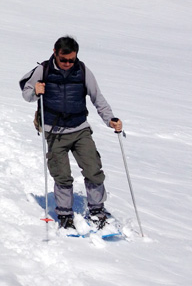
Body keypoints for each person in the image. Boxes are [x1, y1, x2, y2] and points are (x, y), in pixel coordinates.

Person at [19, 36, 123, 231]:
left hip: (80, 129)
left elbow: (97, 98)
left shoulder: (82, 71)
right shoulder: (43, 70)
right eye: (63, 59)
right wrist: (36, 91)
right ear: (55, 52)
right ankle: (65, 214)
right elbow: (26, 93)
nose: (67, 64)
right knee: (62, 175)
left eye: (71, 60)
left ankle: (97, 210)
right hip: (55, 131)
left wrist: (110, 120)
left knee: (93, 169)